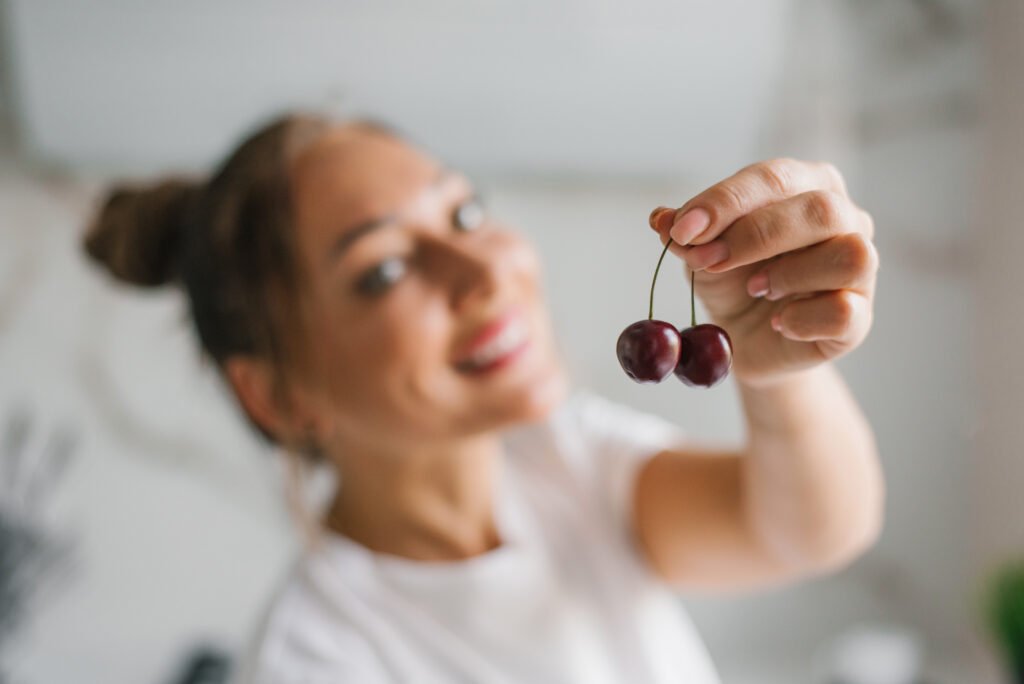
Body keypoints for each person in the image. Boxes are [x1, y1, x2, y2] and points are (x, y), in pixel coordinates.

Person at [82, 113, 883, 683]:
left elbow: (806, 531)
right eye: (384, 271)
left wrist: (780, 368)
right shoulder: (319, 658)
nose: (485, 271)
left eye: (464, 213)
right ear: (280, 395)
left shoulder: (561, 460)